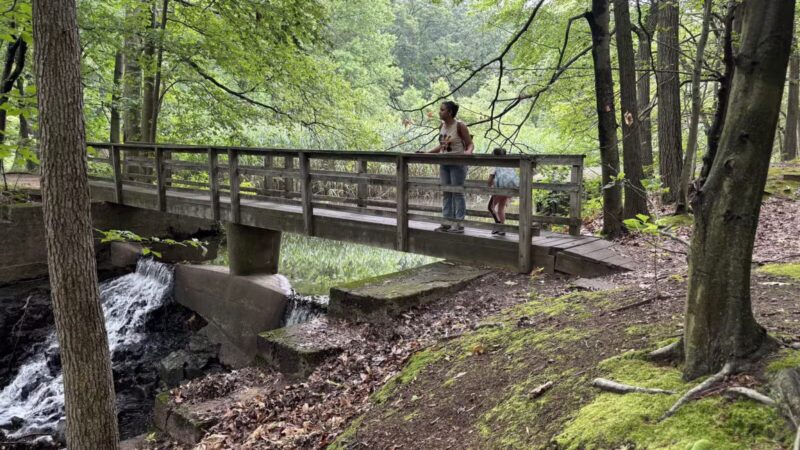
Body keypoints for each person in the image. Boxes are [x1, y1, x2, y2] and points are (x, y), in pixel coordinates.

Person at [419, 101, 474, 233]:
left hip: (457, 164)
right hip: (444, 163)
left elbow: (470, 144)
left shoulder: (460, 126)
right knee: (446, 192)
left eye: (442, 110)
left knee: (457, 193)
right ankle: (446, 223)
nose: (440, 112)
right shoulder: (442, 126)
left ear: (450, 112)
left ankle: (458, 224)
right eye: (440, 109)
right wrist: (427, 153)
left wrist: (467, 153)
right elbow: (442, 146)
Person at [487, 148, 519, 237]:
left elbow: (490, 181)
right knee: (501, 209)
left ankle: (499, 226)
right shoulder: (508, 165)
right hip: (508, 190)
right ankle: (502, 229)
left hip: (499, 189)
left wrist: (489, 186)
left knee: (490, 207)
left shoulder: (495, 165)